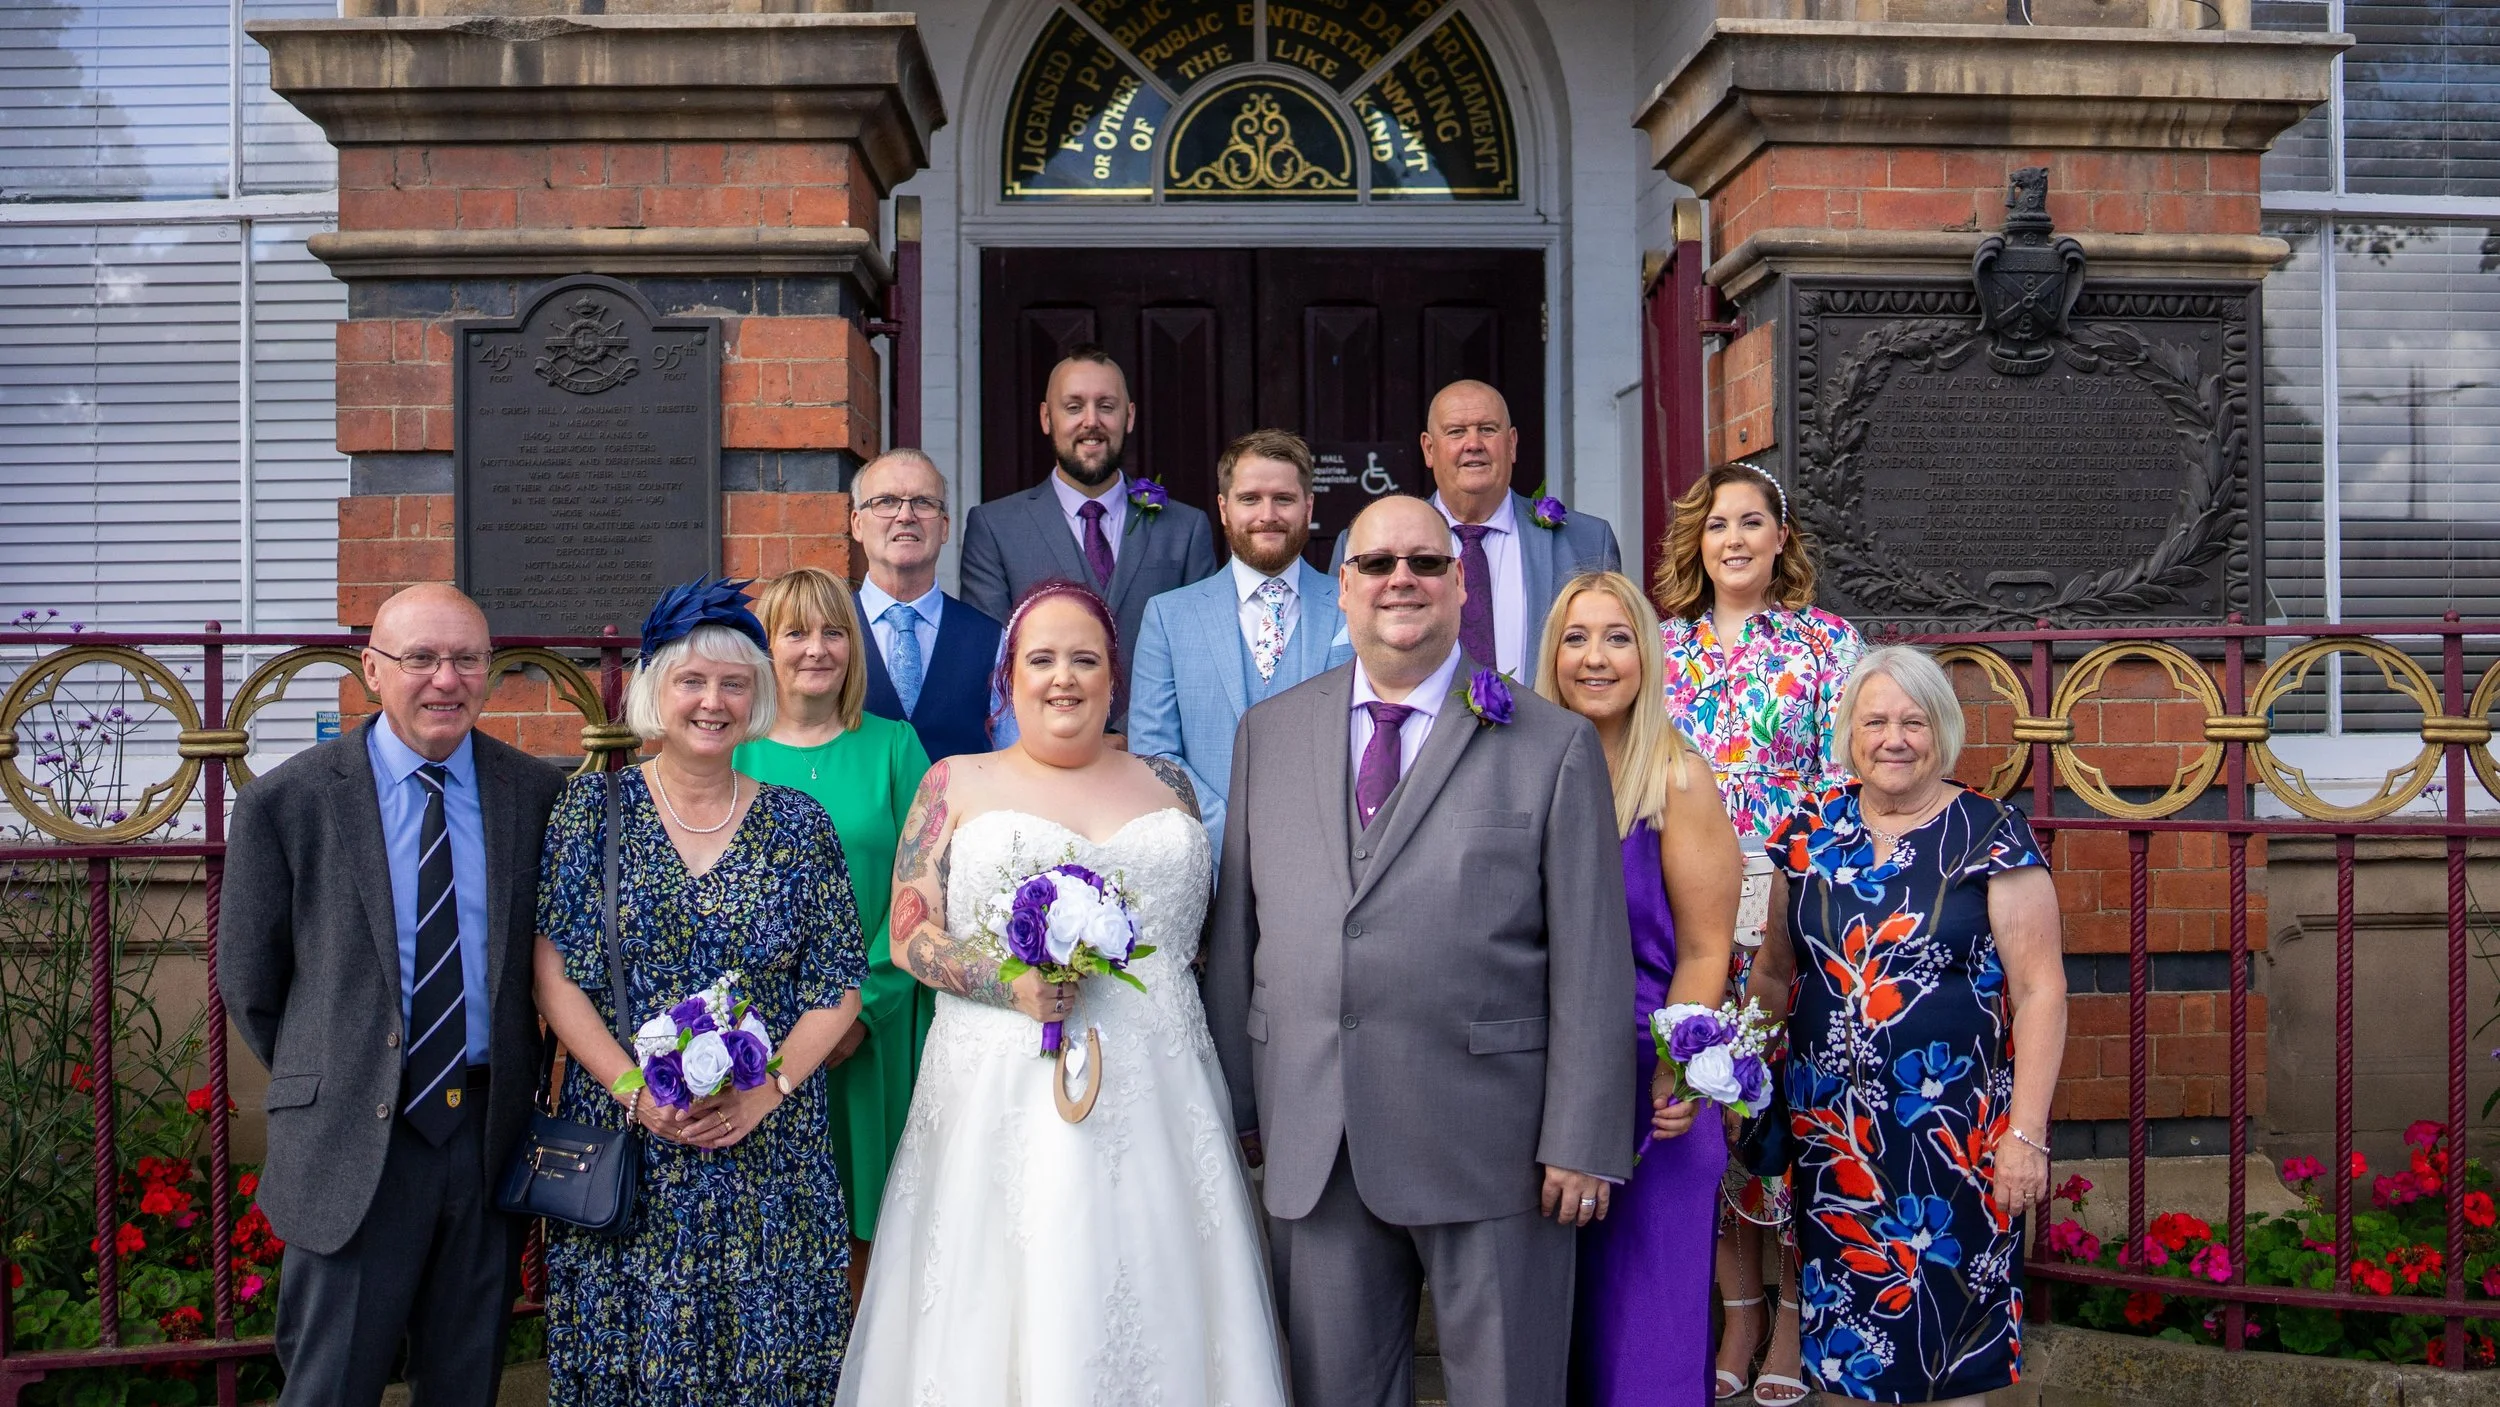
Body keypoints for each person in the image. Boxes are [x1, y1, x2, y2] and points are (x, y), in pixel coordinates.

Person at [1207, 495, 1634, 1407]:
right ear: (1345, 588)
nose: (1401, 579)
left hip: (1498, 1143)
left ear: (1460, 584)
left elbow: (1595, 956)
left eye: (1426, 563)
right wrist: (1238, 1105)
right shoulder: (1269, 735)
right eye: (1377, 564)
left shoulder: (1550, 743)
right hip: (1318, 1137)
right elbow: (1239, 935)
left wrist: (1583, 1137)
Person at [837, 581, 1288, 1407]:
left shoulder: (1169, 785)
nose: (1064, 677)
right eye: (1041, 659)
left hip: (1163, 1090)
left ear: (1114, 680)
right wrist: (1007, 981)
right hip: (1003, 1089)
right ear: (1009, 677)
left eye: (1086, 659)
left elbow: (1207, 936)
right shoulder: (954, 782)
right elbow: (907, 933)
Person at [221, 583, 566, 1407]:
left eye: (466, 659)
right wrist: (348, 1067)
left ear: (490, 672)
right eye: (420, 658)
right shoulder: (288, 801)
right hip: (351, 1137)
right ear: (372, 671)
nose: (444, 679)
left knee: (464, 1383)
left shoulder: (537, 795)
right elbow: (252, 982)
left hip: (484, 1137)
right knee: (331, 1386)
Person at [533, 577, 868, 1405]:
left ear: (754, 696)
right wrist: (632, 1090)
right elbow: (552, 973)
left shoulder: (799, 825)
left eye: (733, 682)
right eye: (692, 680)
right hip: (631, 1156)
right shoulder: (590, 811)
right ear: (657, 689)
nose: (712, 701)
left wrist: (769, 1091)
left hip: (770, 1163)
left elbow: (838, 988)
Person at [1747, 646, 2066, 1405]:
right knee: (1849, 1357)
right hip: (1835, 1146)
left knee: (1948, 1358)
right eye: (1876, 720)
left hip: (1952, 1147)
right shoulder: (1810, 832)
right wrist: (1741, 1069)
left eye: (1914, 721)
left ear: (1942, 732)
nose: (1895, 737)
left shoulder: (1991, 834)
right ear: (1850, 734)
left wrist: (2025, 1135)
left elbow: (2042, 990)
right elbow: (1773, 970)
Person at [1656, 462, 1864, 1405]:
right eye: (1716, 525)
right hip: (1686, 912)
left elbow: (1845, 781)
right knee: (1710, 1108)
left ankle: (1792, 1316)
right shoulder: (1664, 648)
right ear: (1698, 544)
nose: (1733, 539)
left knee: (1783, 1113)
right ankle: (1736, 1306)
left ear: (1783, 539)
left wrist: (1787, 892)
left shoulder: (1827, 645)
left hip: (1788, 914)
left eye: (1751, 522)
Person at [1534, 571, 1743, 1407]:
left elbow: (1704, 948)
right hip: (1547, 1080)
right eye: (1576, 637)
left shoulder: (1677, 779)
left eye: (1617, 637)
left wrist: (1674, 1063)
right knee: (1561, 1327)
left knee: (1644, 1334)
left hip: (1650, 1085)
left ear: (1646, 655)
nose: (1595, 657)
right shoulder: (1525, 767)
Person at [732, 567, 933, 1307]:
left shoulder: (893, 747)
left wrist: (856, 1008)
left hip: (874, 1030)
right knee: (766, 1228)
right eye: (796, 632)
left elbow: (923, 892)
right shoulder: (735, 752)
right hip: (757, 1039)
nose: (817, 649)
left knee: (870, 1232)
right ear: (766, 647)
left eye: (835, 632)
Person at [959, 345, 1220, 729]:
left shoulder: (1185, 527)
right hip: (1040, 760)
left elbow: (1199, 657)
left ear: (1128, 417)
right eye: (1074, 406)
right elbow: (994, 662)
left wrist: (1130, 735)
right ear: (1047, 418)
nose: (1091, 421)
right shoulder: (994, 527)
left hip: (1149, 758)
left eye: (1107, 406)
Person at [1130, 427, 1353, 855]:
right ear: (1224, 508)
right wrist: (1234, 834)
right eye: (1250, 499)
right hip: (1212, 865)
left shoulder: (1351, 608)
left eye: (1283, 499)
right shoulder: (1168, 616)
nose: (1267, 514)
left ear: (1308, 507)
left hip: (1326, 860)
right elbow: (1155, 755)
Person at [1328, 380, 1619, 687]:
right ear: (1429, 449)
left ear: (1511, 443)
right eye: (1456, 431)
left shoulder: (1586, 541)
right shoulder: (1362, 547)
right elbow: (1348, 655)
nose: (1473, 443)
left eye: (1488, 429)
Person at [851, 448, 1005, 761]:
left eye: (923, 502)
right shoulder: (825, 631)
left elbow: (1014, 757)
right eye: (886, 501)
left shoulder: (992, 640)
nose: (905, 516)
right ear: (857, 524)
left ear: (945, 526)